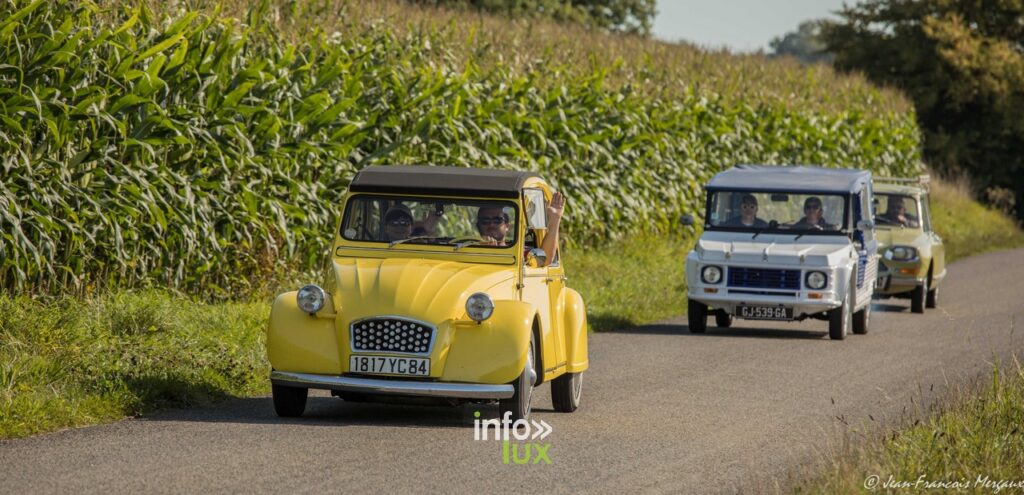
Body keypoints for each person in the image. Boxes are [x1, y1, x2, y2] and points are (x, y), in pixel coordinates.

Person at [476, 192, 565, 267]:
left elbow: (544, 261)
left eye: (497, 220)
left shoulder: (520, 252)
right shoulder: (469, 250)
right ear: (478, 225)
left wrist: (555, 220)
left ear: (507, 226)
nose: (491, 224)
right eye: (485, 220)